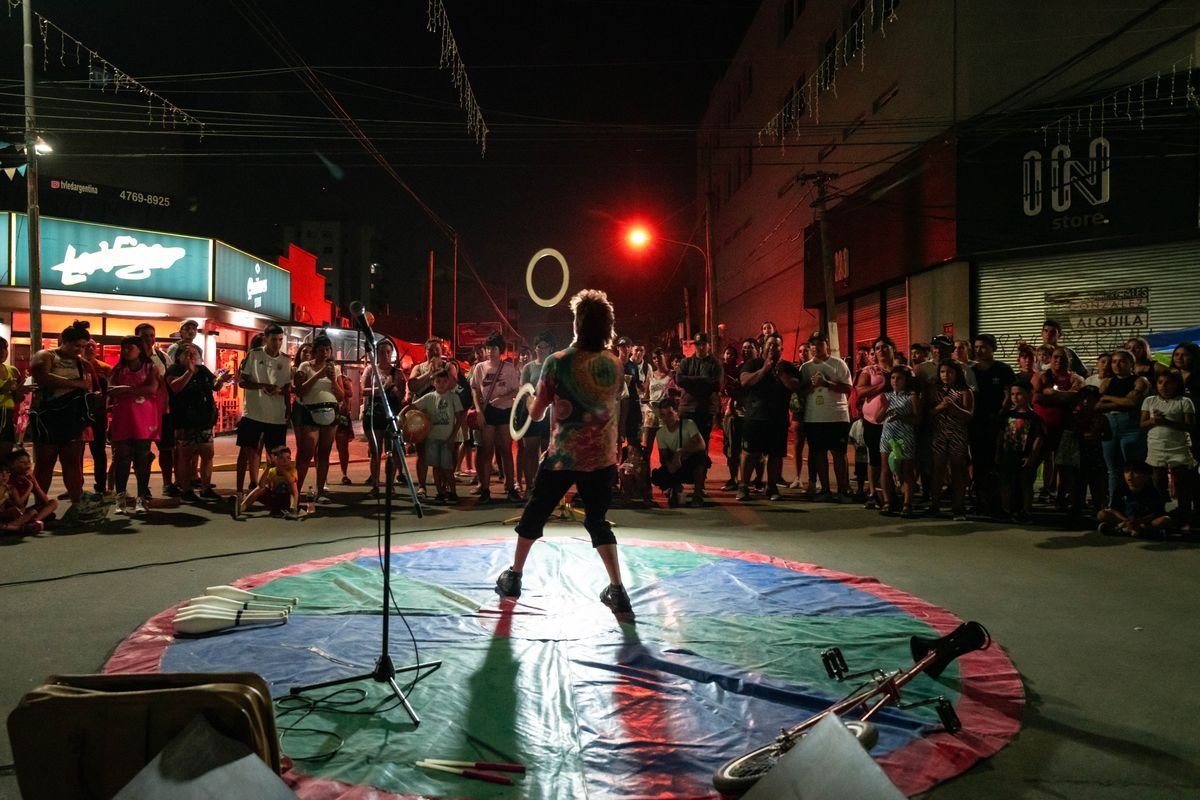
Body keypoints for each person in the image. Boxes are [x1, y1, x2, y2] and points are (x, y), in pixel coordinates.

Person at [495, 289, 632, 614]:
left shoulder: (557, 363)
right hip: (601, 458)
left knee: (534, 516)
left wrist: (529, 399)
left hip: (563, 456)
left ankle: (514, 577)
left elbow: (537, 413)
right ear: (607, 327)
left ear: (577, 323)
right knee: (598, 522)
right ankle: (617, 589)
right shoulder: (614, 364)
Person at [29, 321, 93, 503]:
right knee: (45, 461)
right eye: (76, 345)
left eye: (83, 346)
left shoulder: (82, 362)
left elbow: (88, 385)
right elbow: (43, 377)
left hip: (72, 415)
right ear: (63, 340)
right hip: (47, 414)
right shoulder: (46, 355)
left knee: (72, 461)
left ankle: (77, 503)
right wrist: (76, 384)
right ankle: (40, 504)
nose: (79, 350)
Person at [737, 335, 802, 502]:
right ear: (764, 348)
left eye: (777, 345)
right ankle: (743, 486)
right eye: (770, 344)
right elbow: (744, 381)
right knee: (749, 453)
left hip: (778, 419)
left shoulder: (787, 367)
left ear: (781, 349)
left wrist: (781, 375)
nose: (773, 347)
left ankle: (772, 487)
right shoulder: (754, 363)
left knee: (775, 455)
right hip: (755, 418)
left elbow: (797, 386)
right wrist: (764, 370)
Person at [235, 323, 293, 509]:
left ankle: (275, 490)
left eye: (280, 340)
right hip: (253, 412)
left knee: (276, 456)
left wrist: (286, 405)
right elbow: (242, 381)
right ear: (266, 338)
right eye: (274, 339)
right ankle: (239, 491)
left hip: (276, 416)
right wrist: (262, 386)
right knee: (247, 452)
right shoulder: (254, 355)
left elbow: (287, 387)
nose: (277, 343)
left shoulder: (285, 360)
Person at [167, 343, 229, 501]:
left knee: (207, 453)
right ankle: (186, 490)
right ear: (179, 356)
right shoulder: (175, 370)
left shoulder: (202, 370)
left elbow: (215, 386)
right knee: (185, 456)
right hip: (184, 419)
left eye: (194, 354)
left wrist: (221, 380)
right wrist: (189, 371)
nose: (191, 357)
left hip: (204, 418)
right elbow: (175, 387)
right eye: (187, 354)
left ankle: (206, 488)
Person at [108, 336, 161, 515]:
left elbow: (152, 389)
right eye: (124, 348)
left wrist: (126, 390)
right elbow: (111, 389)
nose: (126, 351)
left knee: (142, 459)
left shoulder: (150, 368)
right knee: (121, 459)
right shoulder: (118, 369)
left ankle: (141, 498)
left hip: (144, 419)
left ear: (139, 349)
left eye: (130, 347)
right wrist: (134, 390)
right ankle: (120, 499)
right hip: (123, 417)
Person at [799, 330, 853, 501]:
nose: (816, 347)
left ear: (826, 344)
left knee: (839, 453)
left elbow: (848, 389)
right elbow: (800, 391)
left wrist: (826, 383)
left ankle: (843, 490)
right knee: (819, 453)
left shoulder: (839, 364)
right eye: (812, 344)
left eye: (819, 343)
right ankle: (825, 489)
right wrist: (813, 385)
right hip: (814, 417)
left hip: (837, 416)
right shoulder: (805, 367)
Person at [470, 332, 521, 504]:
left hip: (504, 411)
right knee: (486, 451)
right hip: (487, 411)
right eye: (488, 348)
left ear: (501, 350)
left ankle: (511, 488)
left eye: (494, 348)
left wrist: (503, 398)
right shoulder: (480, 367)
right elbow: (475, 389)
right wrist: (478, 410)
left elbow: (516, 390)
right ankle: (485, 489)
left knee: (506, 451)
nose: (491, 351)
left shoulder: (509, 368)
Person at [293, 335, 344, 504]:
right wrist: (318, 375)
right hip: (311, 412)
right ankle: (296, 491)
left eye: (327, 350)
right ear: (315, 351)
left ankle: (320, 490)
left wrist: (332, 379)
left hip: (330, 411)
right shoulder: (305, 366)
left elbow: (341, 395)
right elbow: (300, 391)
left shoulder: (334, 369)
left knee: (324, 453)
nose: (324, 353)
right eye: (321, 350)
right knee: (306, 453)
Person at [969, 334, 1015, 517]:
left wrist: (1000, 414)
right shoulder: (971, 371)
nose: (979, 350)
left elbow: (1008, 394)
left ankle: (998, 504)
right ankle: (980, 501)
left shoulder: (1003, 370)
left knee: (995, 464)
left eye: (983, 347)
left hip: (996, 423)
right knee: (978, 463)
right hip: (976, 422)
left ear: (993, 349)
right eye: (977, 347)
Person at [1031, 347, 1084, 506]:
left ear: (1069, 361)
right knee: (1033, 461)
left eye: (1062, 358)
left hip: (1065, 428)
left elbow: (1076, 396)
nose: (1058, 360)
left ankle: (1061, 498)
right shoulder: (1041, 376)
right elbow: (1035, 397)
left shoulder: (1076, 378)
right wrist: (1063, 397)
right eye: (1055, 357)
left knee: (1064, 465)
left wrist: (1051, 394)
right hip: (1042, 428)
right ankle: (1025, 495)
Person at [1097, 350, 1149, 508]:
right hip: (1110, 425)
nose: (1116, 365)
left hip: (1131, 425)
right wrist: (1122, 401)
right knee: (1113, 470)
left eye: (1122, 361)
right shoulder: (1106, 382)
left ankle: (1136, 504)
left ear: (1131, 364)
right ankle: (1115, 505)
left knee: (1134, 469)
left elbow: (1132, 403)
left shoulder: (1140, 381)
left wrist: (1109, 398)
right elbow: (1098, 405)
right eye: (1114, 361)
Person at [1141, 370, 1195, 523]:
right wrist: (1153, 420)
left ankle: (1184, 514)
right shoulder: (1150, 401)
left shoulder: (1184, 401)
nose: (1164, 386)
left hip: (1178, 446)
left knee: (1181, 482)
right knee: (1158, 481)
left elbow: (1189, 426)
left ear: (1177, 384)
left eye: (1168, 383)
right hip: (1157, 446)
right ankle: (1159, 513)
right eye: (1160, 382)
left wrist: (1167, 421)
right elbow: (1142, 423)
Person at [407, 369, 465, 504]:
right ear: (433, 383)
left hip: (446, 438)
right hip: (432, 438)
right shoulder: (429, 397)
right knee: (436, 467)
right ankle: (440, 492)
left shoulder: (453, 397)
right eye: (438, 381)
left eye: (445, 381)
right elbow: (414, 405)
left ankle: (452, 491)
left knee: (447, 467)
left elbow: (459, 417)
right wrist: (402, 414)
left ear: (449, 382)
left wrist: (453, 435)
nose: (441, 384)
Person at [135, 323, 177, 497]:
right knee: (141, 451)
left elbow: (169, 382)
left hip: (161, 411)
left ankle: (168, 483)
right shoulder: (132, 358)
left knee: (167, 449)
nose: (149, 339)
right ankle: (142, 488)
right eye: (145, 336)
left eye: (152, 335)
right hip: (140, 412)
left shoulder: (162, 356)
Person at [929, 360, 974, 520]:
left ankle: (958, 507)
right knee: (938, 469)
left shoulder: (964, 391)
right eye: (942, 372)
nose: (945, 375)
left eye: (949, 372)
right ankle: (935, 505)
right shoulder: (935, 390)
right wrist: (940, 407)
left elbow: (969, 415)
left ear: (956, 374)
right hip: (939, 434)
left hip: (957, 434)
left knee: (957, 470)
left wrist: (954, 408)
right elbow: (928, 412)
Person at [854, 336, 896, 509]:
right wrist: (881, 386)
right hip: (873, 422)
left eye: (885, 347)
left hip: (896, 422)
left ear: (893, 349)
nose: (881, 351)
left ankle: (894, 493)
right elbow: (860, 391)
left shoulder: (902, 370)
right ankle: (872, 493)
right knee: (875, 458)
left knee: (898, 457)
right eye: (877, 348)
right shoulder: (869, 370)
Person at [361, 339, 406, 496]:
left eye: (388, 352)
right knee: (375, 451)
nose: (385, 355)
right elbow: (363, 390)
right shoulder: (370, 370)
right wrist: (381, 388)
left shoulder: (398, 373)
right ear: (376, 354)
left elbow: (402, 396)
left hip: (391, 414)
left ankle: (390, 484)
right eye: (382, 352)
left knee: (391, 451)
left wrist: (394, 390)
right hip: (374, 413)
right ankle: (375, 485)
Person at [997, 381, 1044, 523]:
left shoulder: (1034, 418)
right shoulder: (1007, 415)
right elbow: (1000, 435)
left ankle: (1026, 510)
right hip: (1008, 453)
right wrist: (997, 453)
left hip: (1024, 455)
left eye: (1019, 394)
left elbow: (1039, 437)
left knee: (1026, 483)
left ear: (1028, 395)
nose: (1015, 397)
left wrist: (1032, 456)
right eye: (1012, 394)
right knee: (1006, 482)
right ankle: (1005, 509)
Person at [877, 365, 920, 517]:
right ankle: (887, 501)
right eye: (893, 378)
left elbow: (917, 419)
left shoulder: (911, 396)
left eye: (899, 378)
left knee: (907, 470)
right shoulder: (887, 396)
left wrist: (901, 417)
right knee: (885, 468)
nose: (895, 381)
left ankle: (907, 504)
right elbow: (877, 418)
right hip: (888, 435)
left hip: (905, 435)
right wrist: (886, 407)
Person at [674, 332, 724, 464]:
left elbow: (716, 384)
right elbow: (679, 379)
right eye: (698, 344)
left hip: (705, 409)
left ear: (708, 345)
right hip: (687, 409)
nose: (700, 347)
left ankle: (699, 476)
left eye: (703, 344)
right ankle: (687, 473)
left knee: (702, 444)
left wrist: (690, 382)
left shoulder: (715, 364)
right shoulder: (686, 362)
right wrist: (703, 381)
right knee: (685, 443)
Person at [652, 396, 710, 507]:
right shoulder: (660, 433)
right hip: (675, 464)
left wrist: (681, 452)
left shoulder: (689, 424)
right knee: (658, 475)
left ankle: (697, 494)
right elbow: (663, 457)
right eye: (663, 415)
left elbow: (701, 445)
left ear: (677, 413)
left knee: (701, 458)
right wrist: (670, 465)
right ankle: (674, 488)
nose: (666, 418)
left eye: (670, 414)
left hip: (688, 461)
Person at [519, 333, 554, 500]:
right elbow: (524, 391)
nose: (540, 349)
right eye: (538, 346)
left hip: (550, 414)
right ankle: (530, 486)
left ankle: (545, 487)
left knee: (547, 451)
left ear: (551, 349)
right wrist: (532, 407)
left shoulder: (554, 365)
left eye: (544, 346)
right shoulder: (528, 368)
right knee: (530, 450)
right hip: (531, 413)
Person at [1096, 462, 1169, 538]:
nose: (1129, 476)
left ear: (1146, 476)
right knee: (1102, 514)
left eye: (1135, 473)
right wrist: (1127, 521)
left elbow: (1156, 512)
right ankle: (1134, 530)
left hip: (1143, 522)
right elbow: (1114, 509)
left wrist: (1139, 521)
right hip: (1125, 519)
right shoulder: (1120, 489)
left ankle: (1125, 529)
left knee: (1165, 520)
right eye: (1127, 472)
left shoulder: (1152, 492)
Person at [233, 444, 300, 519]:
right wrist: (268, 468)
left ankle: (293, 509)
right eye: (281, 458)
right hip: (275, 499)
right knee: (261, 489)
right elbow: (261, 485)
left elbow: (291, 480)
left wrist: (278, 466)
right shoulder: (272, 471)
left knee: (292, 486)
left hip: (287, 500)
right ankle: (242, 507)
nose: (286, 461)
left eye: (288, 458)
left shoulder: (292, 470)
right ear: (275, 459)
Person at [721, 340, 754, 491]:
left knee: (754, 450)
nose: (746, 350)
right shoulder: (738, 368)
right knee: (732, 448)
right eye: (744, 348)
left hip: (754, 415)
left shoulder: (761, 366)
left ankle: (755, 480)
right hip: (735, 414)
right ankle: (733, 479)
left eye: (750, 348)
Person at [80, 339, 110, 496]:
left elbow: (111, 390)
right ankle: (77, 485)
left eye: (93, 346)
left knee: (98, 451)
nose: (90, 348)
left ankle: (101, 485)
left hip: (98, 414)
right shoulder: (76, 365)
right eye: (87, 346)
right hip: (79, 413)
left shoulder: (104, 368)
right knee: (77, 451)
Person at [7, 449, 57, 530]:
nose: (27, 465)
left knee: (53, 503)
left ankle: (34, 522)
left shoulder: (28, 478)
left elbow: (45, 501)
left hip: (22, 512)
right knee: (32, 513)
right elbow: (19, 504)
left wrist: (36, 486)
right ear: (12, 465)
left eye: (28, 462)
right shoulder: (9, 480)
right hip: (10, 512)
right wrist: (30, 487)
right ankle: (13, 526)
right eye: (22, 462)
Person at [0, 336, 27, 460]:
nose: (2, 352)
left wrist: (21, 391)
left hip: (8, 414)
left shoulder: (13, 370)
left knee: (6, 450)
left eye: (4, 348)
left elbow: (18, 397)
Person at [333, 372, 355, 485]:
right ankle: (323, 478)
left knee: (343, 446)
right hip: (327, 413)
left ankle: (344, 473)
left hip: (341, 414)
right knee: (322, 446)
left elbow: (350, 393)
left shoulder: (343, 378)